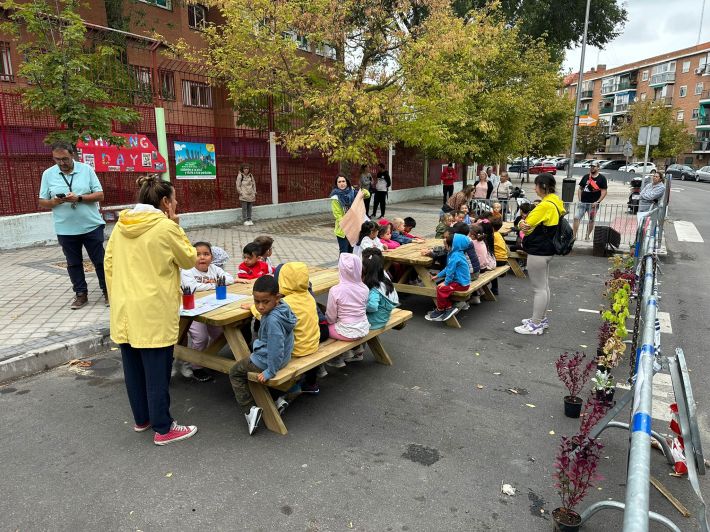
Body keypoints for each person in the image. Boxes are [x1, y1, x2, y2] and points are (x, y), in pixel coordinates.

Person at [105, 175, 198, 446]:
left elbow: (108, 264)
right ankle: (163, 427)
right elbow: (189, 259)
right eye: (175, 199)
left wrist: (120, 295)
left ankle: (142, 419)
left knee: (133, 367)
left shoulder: (121, 226)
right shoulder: (165, 228)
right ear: (165, 202)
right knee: (157, 369)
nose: (177, 203)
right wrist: (176, 226)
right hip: (153, 308)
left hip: (125, 308)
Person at [39, 141, 107, 309]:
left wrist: (79, 198)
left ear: (73, 155)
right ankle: (81, 294)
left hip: (91, 226)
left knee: (100, 261)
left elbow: (100, 195)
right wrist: (54, 202)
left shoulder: (86, 170)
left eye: (65, 159)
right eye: (57, 159)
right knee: (73, 263)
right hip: (66, 229)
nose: (62, 163)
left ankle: (108, 292)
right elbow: (42, 201)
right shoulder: (48, 174)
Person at [229, 275, 297, 435]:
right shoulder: (283, 307)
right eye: (256, 301)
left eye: (265, 302)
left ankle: (249, 410)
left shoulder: (272, 320)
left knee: (235, 372)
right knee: (253, 347)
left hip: (269, 361)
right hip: (283, 357)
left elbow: (275, 348)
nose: (260, 307)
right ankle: (277, 399)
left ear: (277, 297)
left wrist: (270, 371)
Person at [178, 241, 236, 382]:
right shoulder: (187, 270)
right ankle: (194, 365)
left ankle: (206, 358)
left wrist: (211, 282)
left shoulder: (214, 269)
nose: (202, 257)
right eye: (198, 254)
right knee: (200, 338)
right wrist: (214, 283)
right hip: (191, 310)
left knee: (220, 335)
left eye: (206, 254)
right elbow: (191, 286)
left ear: (212, 257)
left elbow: (229, 279)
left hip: (211, 307)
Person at [516, 173, 565, 335]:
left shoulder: (544, 205)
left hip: (538, 250)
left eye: (536, 185)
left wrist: (522, 223)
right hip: (548, 249)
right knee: (544, 287)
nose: (534, 188)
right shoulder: (556, 201)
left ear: (542, 186)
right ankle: (540, 319)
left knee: (539, 289)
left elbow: (525, 225)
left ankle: (535, 324)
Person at [325, 253, 370, 367]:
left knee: (324, 331)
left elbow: (330, 316)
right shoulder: (364, 287)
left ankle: (337, 358)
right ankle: (355, 350)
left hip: (347, 331)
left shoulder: (336, 290)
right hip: (363, 328)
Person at [425, 233, 471, 323]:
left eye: (447, 245)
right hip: (459, 282)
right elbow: (448, 268)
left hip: (462, 284)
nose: (445, 247)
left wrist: (446, 283)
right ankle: (447, 307)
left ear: (454, 246)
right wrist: (438, 276)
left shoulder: (455, 256)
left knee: (441, 288)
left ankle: (442, 309)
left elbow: (450, 272)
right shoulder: (456, 253)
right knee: (441, 287)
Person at [362, 248, 400, 330]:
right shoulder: (384, 279)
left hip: (373, 322)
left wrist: (359, 308)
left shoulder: (375, 288)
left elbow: (372, 306)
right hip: (382, 318)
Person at [330, 174, 368, 254]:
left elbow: (367, 195)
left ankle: (350, 267)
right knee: (344, 252)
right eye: (339, 182)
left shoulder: (353, 192)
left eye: (343, 181)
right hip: (343, 229)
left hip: (354, 228)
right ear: (336, 184)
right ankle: (342, 267)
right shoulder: (335, 198)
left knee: (351, 251)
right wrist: (347, 225)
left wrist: (363, 191)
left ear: (347, 182)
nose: (341, 183)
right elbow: (338, 215)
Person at [573, 162, 607, 240]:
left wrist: (597, 202)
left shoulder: (602, 178)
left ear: (598, 168)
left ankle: (587, 236)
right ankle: (574, 236)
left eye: (594, 166)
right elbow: (580, 188)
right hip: (583, 203)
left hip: (593, 205)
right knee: (576, 218)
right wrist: (580, 199)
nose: (592, 167)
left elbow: (604, 191)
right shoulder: (586, 177)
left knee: (591, 220)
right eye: (591, 166)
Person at [491, 218, 509, 296]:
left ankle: (494, 289)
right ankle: (494, 288)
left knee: (488, 269)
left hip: (498, 259)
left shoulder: (493, 235)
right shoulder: (498, 234)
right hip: (503, 258)